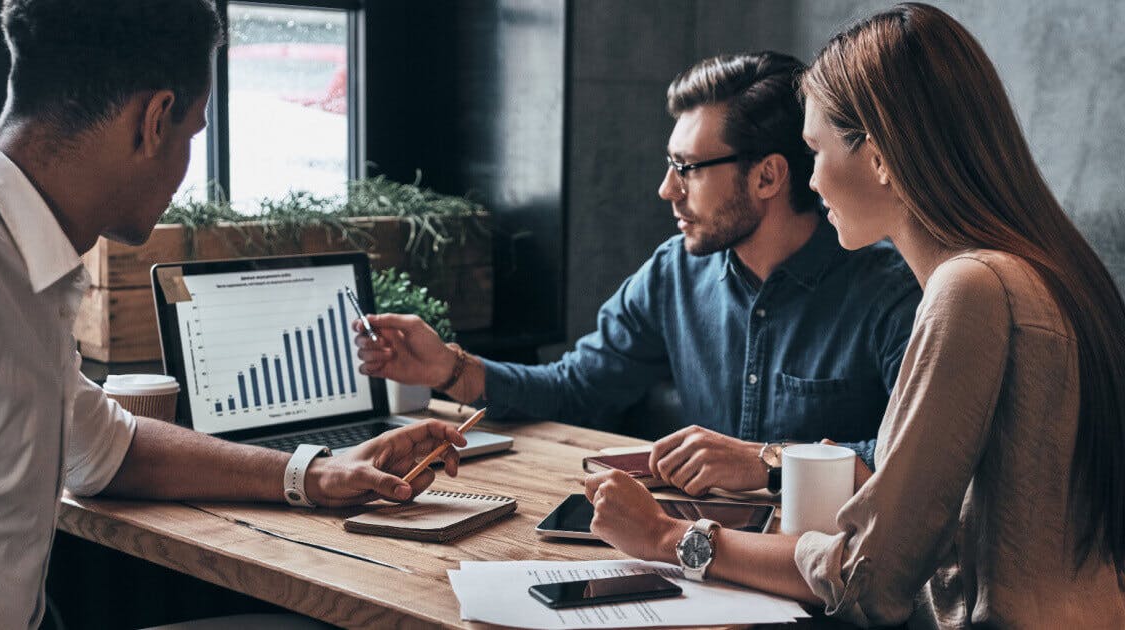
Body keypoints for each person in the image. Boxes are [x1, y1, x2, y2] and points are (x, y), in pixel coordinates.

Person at [0, 2, 465, 628]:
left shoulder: (16, 262)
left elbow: (107, 449)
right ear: (154, 120)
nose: (185, 171)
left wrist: (318, 474)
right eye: (192, 134)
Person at [584, 3, 1125, 627]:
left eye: (814, 152)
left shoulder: (970, 289)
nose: (809, 182)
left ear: (880, 155)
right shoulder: (1040, 271)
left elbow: (869, 580)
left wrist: (666, 537)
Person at [356, 51, 920, 494]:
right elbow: (577, 389)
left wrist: (767, 461)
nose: (666, 189)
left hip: (827, 578)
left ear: (768, 178)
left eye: (687, 169)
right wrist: (449, 367)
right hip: (696, 557)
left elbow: (913, 464)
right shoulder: (672, 274)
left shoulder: (890, 292)